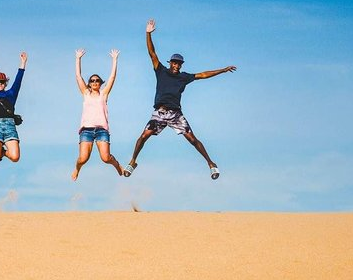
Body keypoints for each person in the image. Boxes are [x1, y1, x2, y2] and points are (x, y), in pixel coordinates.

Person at [123, 19, 237, 179]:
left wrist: (223, 70)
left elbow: (203, 74)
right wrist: (148, 34)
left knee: (192, 139)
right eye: (174, 62)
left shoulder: (184, 77)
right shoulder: (161, 70)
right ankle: (133, 161)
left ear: (181, 65)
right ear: (170, 63)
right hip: (159, 113)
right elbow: (152, 53)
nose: (177, 65)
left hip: (176, 114)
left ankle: (211, 164)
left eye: (179, 63)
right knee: (144, 136)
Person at [72, 48, 124, 180]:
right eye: (92, 81)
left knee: (106, 158)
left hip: (101, 130)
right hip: (86, 130)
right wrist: (78, 59)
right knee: (82, 159)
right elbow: (78, 77)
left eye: (97, 80)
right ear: (89, 84)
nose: (95, 82)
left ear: (100, 83)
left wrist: (114, 60)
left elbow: (112, 77)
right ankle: (77, 169)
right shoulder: (86, 94)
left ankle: (117, 164)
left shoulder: (104, 94)